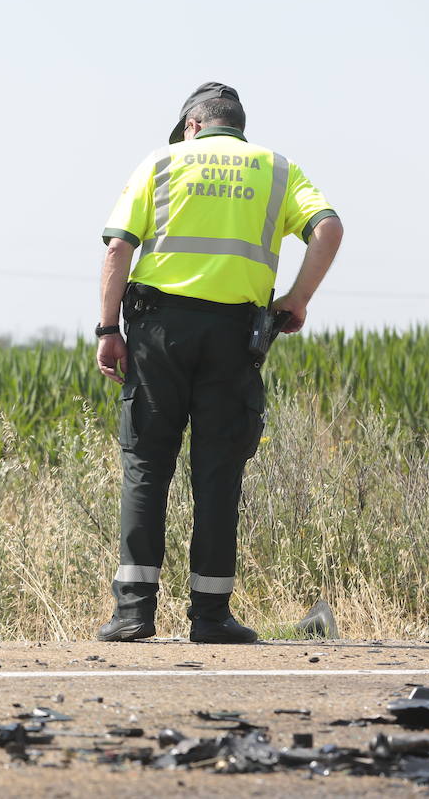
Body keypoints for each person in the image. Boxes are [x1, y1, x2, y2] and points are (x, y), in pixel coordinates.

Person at [94, 82, 343, 644]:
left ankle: (134, 614)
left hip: (159, 332)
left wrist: (109, 330)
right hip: (235, 337)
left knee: (147, 466)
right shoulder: (276, 169)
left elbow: (117, 248)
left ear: (193, 125)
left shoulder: (162, 163)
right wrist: (297, 299)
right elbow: (328, 228)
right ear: (237, 125)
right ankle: (210, 617)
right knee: (217, 473)